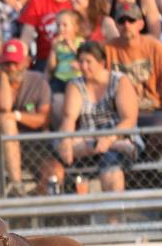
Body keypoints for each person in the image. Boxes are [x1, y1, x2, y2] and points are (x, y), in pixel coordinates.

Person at [53, 42, 140, 199]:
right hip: (89, 137)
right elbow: (69, 118)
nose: (84, 67)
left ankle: (114, 222)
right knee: (61, 146)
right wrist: (66, 140)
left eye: (88, 62)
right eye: (81, 62)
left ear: (101, 63)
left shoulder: (119, 81)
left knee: (110, 166)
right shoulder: (76, 85)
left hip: (118, 134)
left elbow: (129, 119)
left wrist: (109, 138)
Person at [105, 2, 162, 135]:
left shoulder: (154, 46)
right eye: (122, 21)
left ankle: (146, 156)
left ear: (141, 24)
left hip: (151, 110)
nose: (126, 25)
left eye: (131, 20)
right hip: (118, 113)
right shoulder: (107, 49)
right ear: (116, 25)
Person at [0, 39, 52, 195]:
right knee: (8, 124)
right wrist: (2, 77)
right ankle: (17, 184)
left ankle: (36, 212)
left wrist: (15, 116)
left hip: (34, 145)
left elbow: (43, 119)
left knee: (54, 174)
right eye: (7, 64)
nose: (12, 68)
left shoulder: (39, 80)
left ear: (27, 62)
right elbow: (4, 105)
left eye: (16, 63)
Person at [18, 0, 76, 67]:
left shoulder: (75, 3)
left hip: (71, 58)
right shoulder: (38, 1)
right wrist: (21, 56)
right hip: (45, 59)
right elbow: (27, 35)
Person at [45, 9, 84, 96]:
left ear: (75, 28)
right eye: (58, 25)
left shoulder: (80, 42)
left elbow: (82, 58)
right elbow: (51, 67)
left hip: (75, 78)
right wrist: (53, 49)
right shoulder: (57, 44)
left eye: (65, 25)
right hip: (59, 78)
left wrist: (71, 46)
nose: (61, 29)